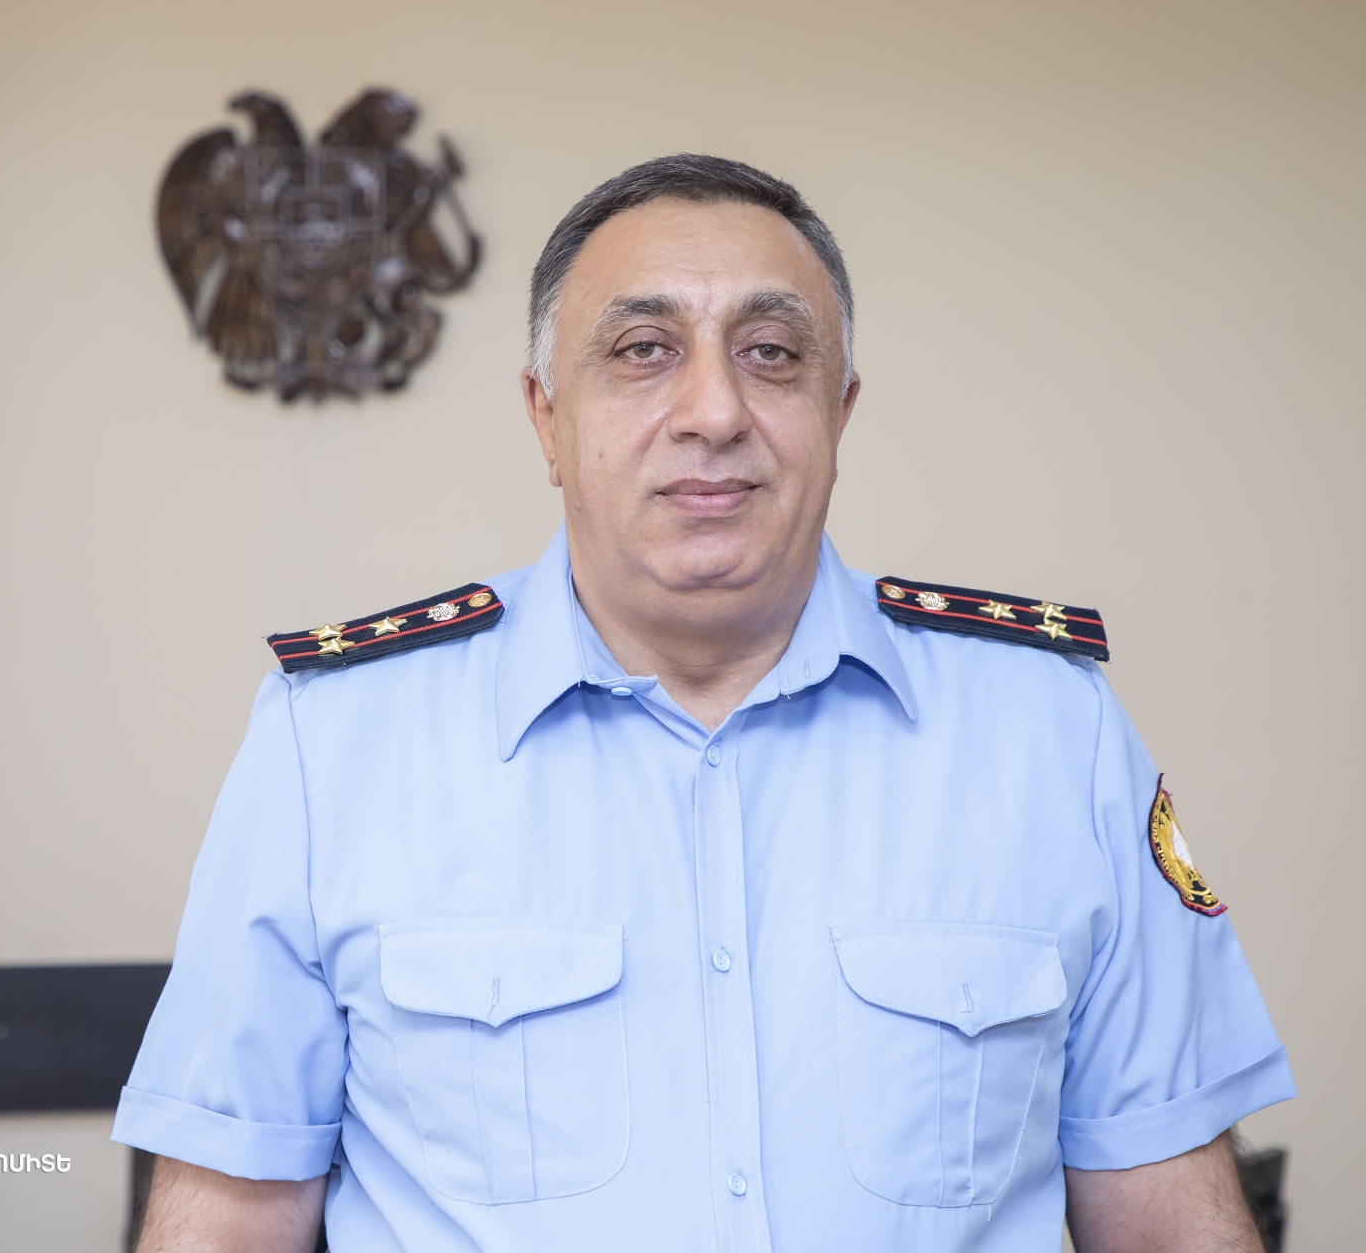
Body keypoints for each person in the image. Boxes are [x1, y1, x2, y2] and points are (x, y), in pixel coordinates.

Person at [112, 155, 1293, 1252]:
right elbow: (222, 1223)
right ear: (546, 416)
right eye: (643, 350)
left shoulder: (1051, 733)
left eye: (772, 353)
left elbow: (1171, 1221)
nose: (715, 411)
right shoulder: (335, 744)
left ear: (840, 411)